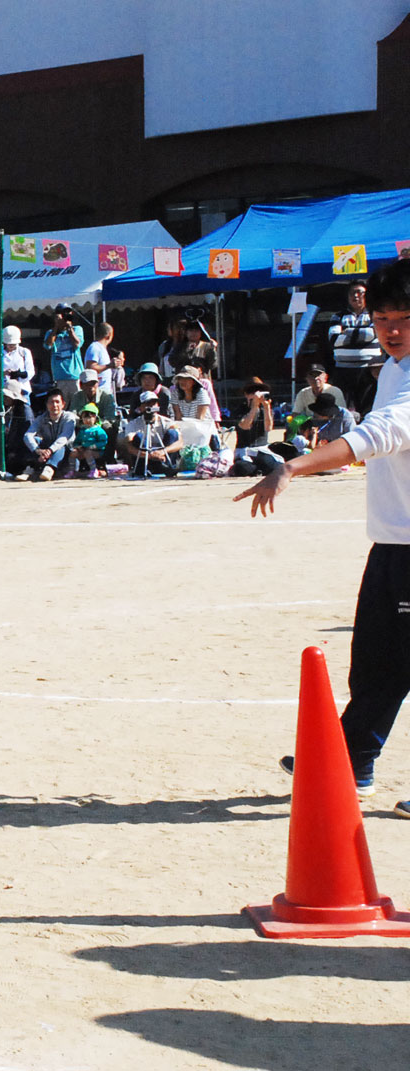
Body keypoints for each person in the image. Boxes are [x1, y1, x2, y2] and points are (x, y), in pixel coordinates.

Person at [238, 259, 410, 814]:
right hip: (393, 541)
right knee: (376, 660)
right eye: (382, 318)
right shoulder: (394, 369)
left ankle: (352, 758)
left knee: (396, 658)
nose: (391, 329)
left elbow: (377, 437)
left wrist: (292, 466)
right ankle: (352, 761)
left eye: (404, 318)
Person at [330, 280, 381, 411]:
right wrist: (361, 333)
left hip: (368, 370)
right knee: (345, 409)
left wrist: (346, 332)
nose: (356, 296)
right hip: (343, 370)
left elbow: (371, 334)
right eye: (352, 293)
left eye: (360, 292)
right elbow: (334, 339)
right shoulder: (338, 316)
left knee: (368, 407)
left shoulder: (375, 314)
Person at [16, 391, 75, 481]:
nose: (54, 405)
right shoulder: (41, 418)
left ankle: (49, 469)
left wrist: (50, 450)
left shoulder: (69, 417)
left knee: (61, 445)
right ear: (46, 404)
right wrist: (37, 450)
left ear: (63, 404)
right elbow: (28, 435)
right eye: (51, 402)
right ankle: (29, 469)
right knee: (34, 440)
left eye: (57, 402)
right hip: (46, 451)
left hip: (65, 452)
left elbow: (64, 437)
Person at [122, 390, 181, 477]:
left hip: (163, 457)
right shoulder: (133, 424)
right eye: (148, 404)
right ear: (141, 407)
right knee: (138, 436)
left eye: (154, 403)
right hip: (145, 458)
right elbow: (129, 446)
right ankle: (146, 468)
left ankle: (167, 467)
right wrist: (150, 455)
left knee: (173, 433)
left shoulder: (167, 422)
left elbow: (180, 443)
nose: (151, 406)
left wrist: (162, 452)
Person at [233, 377, 282, 477]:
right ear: (246, 394)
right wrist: (254, 408)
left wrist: (267, 407)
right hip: (245, 450)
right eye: (251, 391)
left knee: (276, 466)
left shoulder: (266, 410)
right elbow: (245, 426)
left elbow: (268, 428)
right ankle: (256, 470)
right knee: (241, 468)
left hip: (261, 450)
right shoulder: (240, 409)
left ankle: (258, 470)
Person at [0, 326, 34, 423]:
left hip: (21, 389)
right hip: (2, 389)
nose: (11, 346)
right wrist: (3, 373)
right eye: (9, 344)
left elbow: (31, 372)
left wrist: (19, 374)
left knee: (25, 415)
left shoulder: (24, 352)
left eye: (13, 344)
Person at [43, 305, 86, 406]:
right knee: (62, 406)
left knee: (77, 406)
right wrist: (56, 327)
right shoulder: (51, 333)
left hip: (75, 376)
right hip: (59, 377)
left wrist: (69, 328)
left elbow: (77, 344)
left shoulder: (77, 329)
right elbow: (48, 345)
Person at [71, 404, 108, 478]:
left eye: (90, 417)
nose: (87, 420)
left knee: (88, 453)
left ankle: (93, 470)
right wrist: (78, 447)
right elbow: (76, 442)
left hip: (96, 451)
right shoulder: (82, 430)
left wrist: (94, 446)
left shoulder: (98, 430)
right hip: (83, 450)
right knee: (73, 453)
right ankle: (72, 470)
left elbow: (103, 441)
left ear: (95, 418)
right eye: (85, 417)